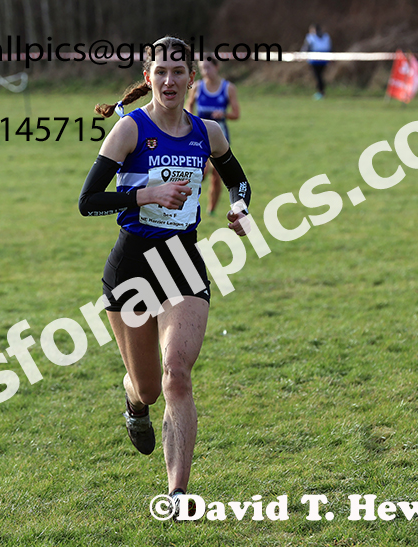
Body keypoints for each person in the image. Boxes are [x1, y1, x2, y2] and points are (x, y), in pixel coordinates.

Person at [78, 36, 252, 504]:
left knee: (177, 374)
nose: (170, 80)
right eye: (161, 71)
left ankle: (178, 495)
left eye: (179, 72)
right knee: (150, 389)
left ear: (192, 79)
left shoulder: (208, 132)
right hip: (132, 269)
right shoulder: (129, 131)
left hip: (183, 263)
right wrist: (145, 195)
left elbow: (238, 179)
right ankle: (133, 401)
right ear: (148, 76)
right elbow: (87, 202)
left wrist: (240, 208)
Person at [186, 56, 241, 216]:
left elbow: (236, 114)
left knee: (217, 176)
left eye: (208, 67)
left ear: (216, 67)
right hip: (199, 136)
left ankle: (211, 210)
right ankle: (186, 205)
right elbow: (189, 105)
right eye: (202, 68)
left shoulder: (228, 88)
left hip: (220, 136)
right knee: (200, 173)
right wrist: (190, 119)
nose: (205, 71)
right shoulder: (196, 87)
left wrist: (223, 114)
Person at [302, 23, 332, 100]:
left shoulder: (311, 37)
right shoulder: (326, 37)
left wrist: (302, 55)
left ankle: (321, 92)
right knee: (320, 76)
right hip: (324, 59)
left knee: (318, 76)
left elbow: (306, 48)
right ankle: (321, 91)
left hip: (315, 60)